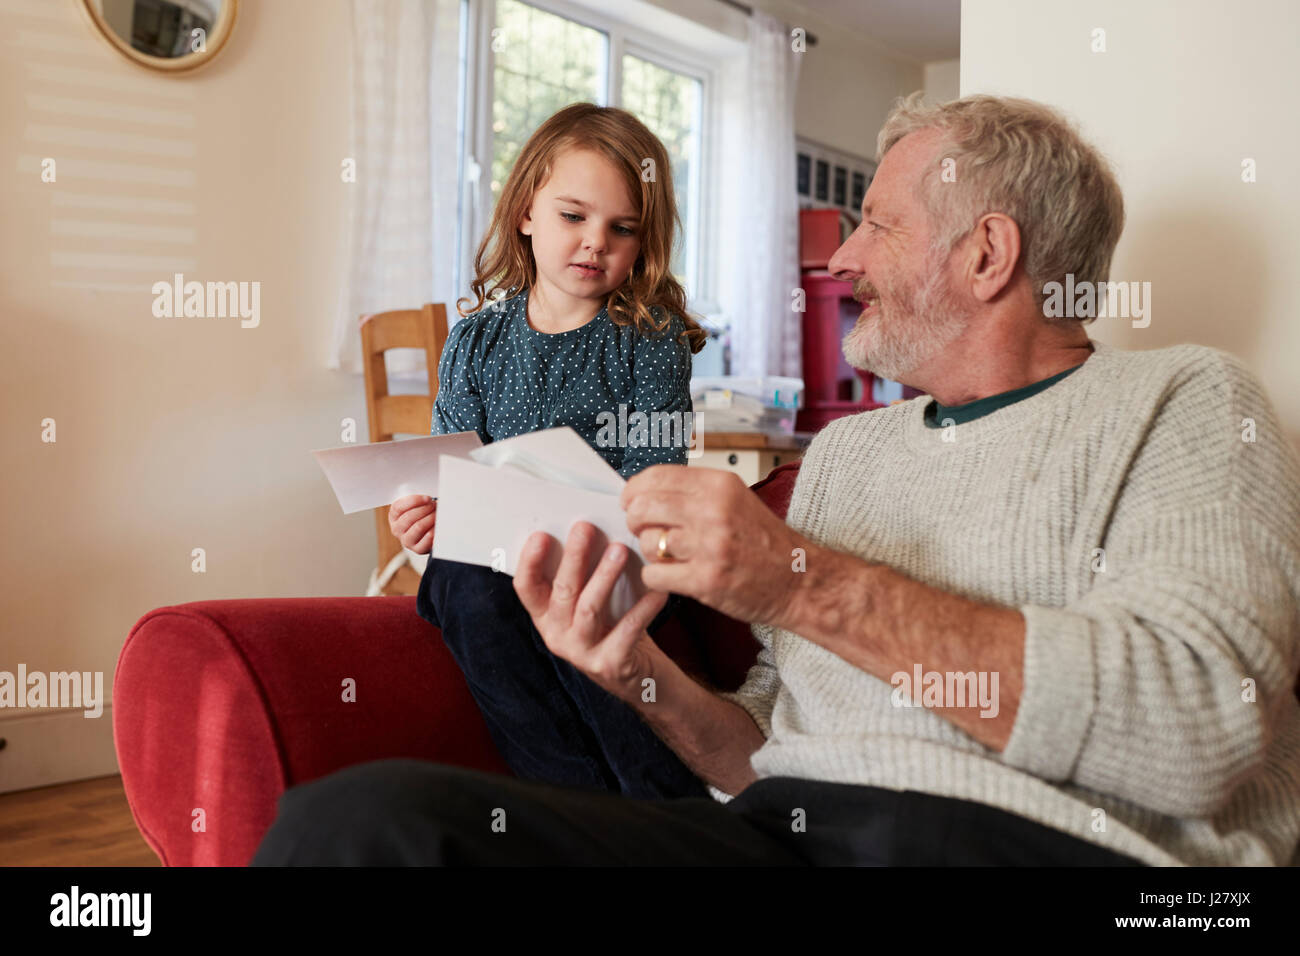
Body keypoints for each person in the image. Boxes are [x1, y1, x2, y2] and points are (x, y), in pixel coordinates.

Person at [254, 94, 1300, 866]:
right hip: (778, 831)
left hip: (1024, 840)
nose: (841, 256)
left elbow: (1199, 723)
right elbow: (759, 751)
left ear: (987, 254)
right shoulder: (845, 453)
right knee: (351, 826)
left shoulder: (1189, 400)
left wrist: (801, 581)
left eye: (875, 222)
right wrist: (631, 673)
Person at [390, 103, 710, 800]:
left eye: (621, 229)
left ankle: (662, 813)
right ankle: (569, 806)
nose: (596, 242)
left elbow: (653, 488)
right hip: (494, 562)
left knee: (572, 598)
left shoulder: (646, 337)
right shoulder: (475, 342)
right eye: (574, 217)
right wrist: (424, 521)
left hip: (611, 561)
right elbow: (455, 475)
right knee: (458, 580)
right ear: (527, 212)